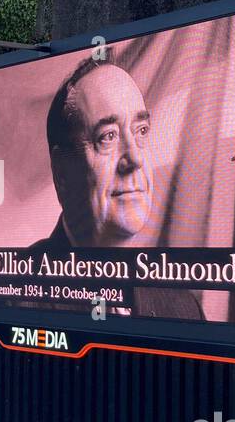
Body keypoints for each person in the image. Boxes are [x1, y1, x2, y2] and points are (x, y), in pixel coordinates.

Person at [28, 56, 204, 321]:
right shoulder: (15, 290)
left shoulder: (183, 306)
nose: (135, 159)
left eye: (141, 130)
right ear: (62, 172)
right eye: (107, 136)